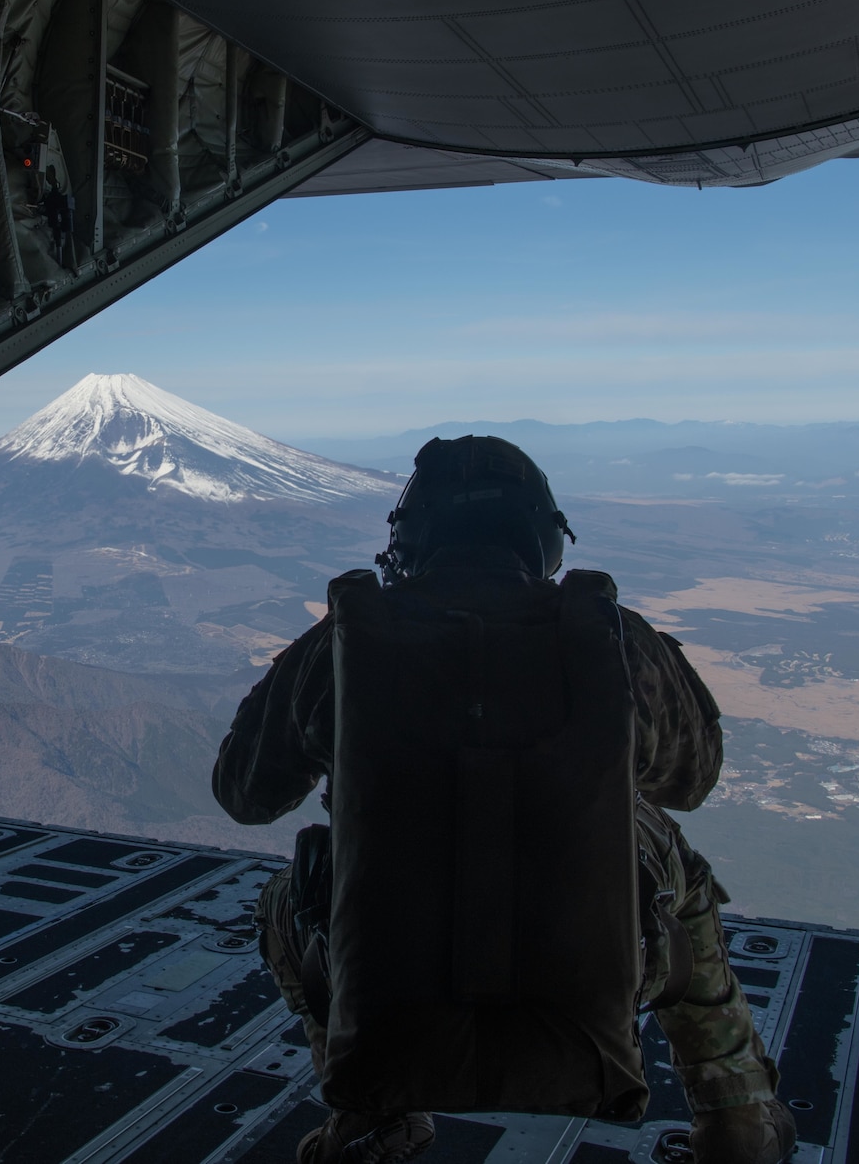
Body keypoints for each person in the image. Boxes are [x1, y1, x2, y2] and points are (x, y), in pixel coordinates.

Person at [212, 436, 796, 1164]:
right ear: (544, 537)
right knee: (674, 862)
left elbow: (244, 793)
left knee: (287, 894)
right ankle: (736, 1116)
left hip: (377, 970)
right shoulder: (614, 638)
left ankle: (376, 1119)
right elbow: (693, 780)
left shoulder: (345, 641)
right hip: (616, 958)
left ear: (409, 542)